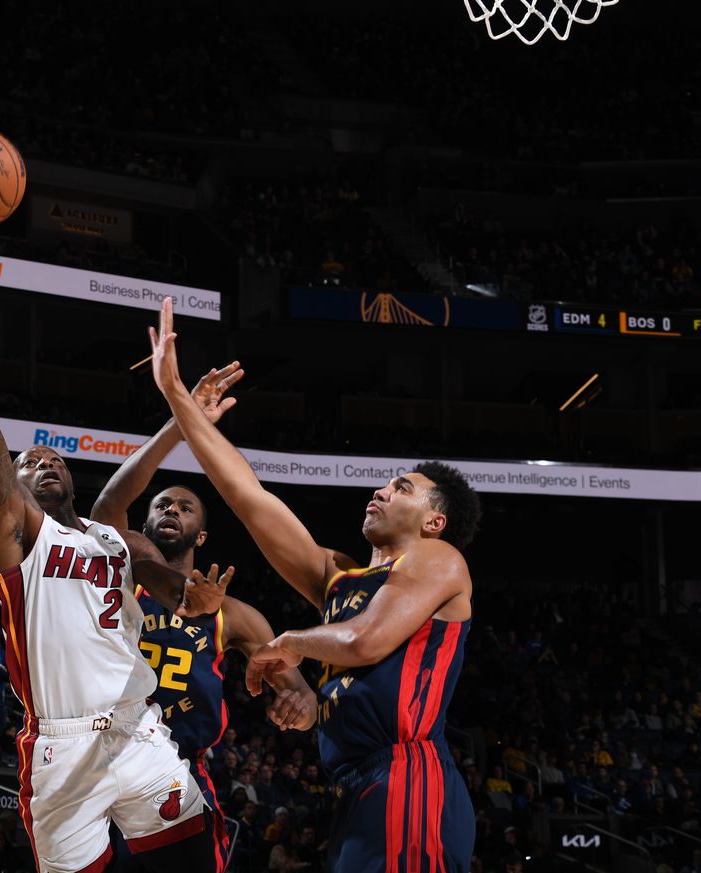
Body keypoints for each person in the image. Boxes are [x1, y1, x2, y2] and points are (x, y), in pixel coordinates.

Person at [146, 297, 482, 873]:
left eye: (401, 488)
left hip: (409, 775)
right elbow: (250, 500)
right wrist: (180, 403)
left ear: (434, 520)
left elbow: (362, 644)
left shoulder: (438, 558)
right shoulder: (342, 578)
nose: (381, 491)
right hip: (356, 783)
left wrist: (288, 644)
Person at [0, 224, 229, 873]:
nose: (41, 462)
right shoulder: (20, 538)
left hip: (138, 730)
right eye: (26, 461)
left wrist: (189, 595)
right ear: (9, 486)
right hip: (63, 748)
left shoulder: (109, 535)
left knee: (198, 858)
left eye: (51, 457)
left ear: (68, 477)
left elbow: (156, 569)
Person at [88, 365, 318, 873]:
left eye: (185, 506)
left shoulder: (235, 615)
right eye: (162, 504)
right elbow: (107, 507)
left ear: (202, 535)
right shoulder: (121, 573)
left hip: (178, 768)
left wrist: (301, 706)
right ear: (143, 524)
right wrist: (180, 416)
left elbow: (299, 691)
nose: (172, 509)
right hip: (102, 758)